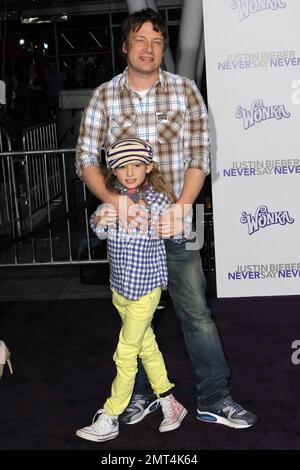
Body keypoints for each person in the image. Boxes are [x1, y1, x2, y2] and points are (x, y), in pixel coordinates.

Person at [75, 8, 257, 430]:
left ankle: (216, 397)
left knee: (196, 312)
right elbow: (85, 158)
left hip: (176, 222)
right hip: (128, 231)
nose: (149, 49)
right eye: (140, 40)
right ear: (125, 45)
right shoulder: (105, 96)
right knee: (134, 320)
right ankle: (141, 397)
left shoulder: (186, 91)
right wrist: (114, 201)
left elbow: (199, 155)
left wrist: (181, 209)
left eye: (157, 41)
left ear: (163, 48)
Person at [76, 137, 188, 442]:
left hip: (147, 287)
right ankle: (170, 402)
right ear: (113, 170)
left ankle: (110, 415)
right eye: (122, 166)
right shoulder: (112, 197)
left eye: (136, 165)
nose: (129, 171)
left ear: (148, 167)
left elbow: (182, 232)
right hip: (120, 288)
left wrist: (175, 227)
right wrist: (100, 218)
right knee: (146, 347)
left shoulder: (160, 201)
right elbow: (98, 229)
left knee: (125, 354)